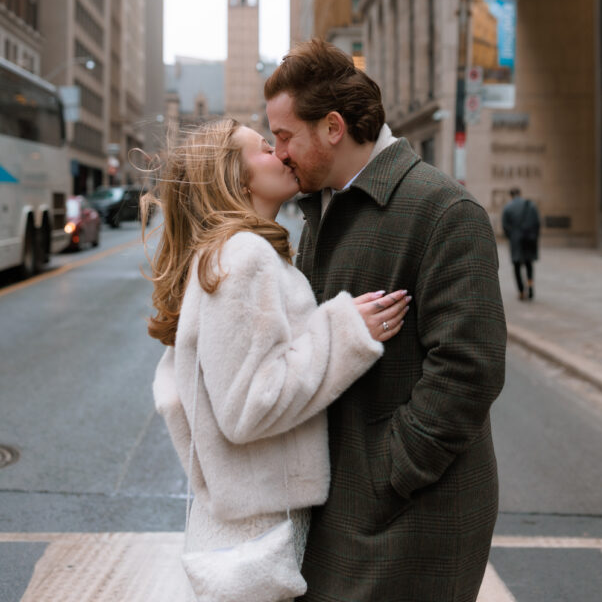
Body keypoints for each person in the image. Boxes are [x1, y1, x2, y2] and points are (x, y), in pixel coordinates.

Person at [264, 39, 507, 602]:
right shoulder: (321, 209)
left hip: (413, 517)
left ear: (332, 127)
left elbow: (470, 372)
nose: (278, 154)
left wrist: (389, 471)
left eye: (283, 136)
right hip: (340, 509)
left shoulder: (444, 211)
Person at [143, 118, 409, 597]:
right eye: (266, 149)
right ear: (237, 178)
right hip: (259, 530)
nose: (282, 154)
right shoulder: (244, 256)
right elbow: (248, 406)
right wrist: (345, 332)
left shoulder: (235, 252)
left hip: (246, 521)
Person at [502, 187, 540, 301]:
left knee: (517, 266)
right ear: (520, 194)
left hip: (516, 241)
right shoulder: (530, 205)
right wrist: (534, 237)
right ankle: (530, 284)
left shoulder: (508, 207)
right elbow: (537, 223)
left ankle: (521, 291)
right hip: (529, 239)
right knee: (529, 264)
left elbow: (505, 226)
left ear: (511, 195)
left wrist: (512, 237)